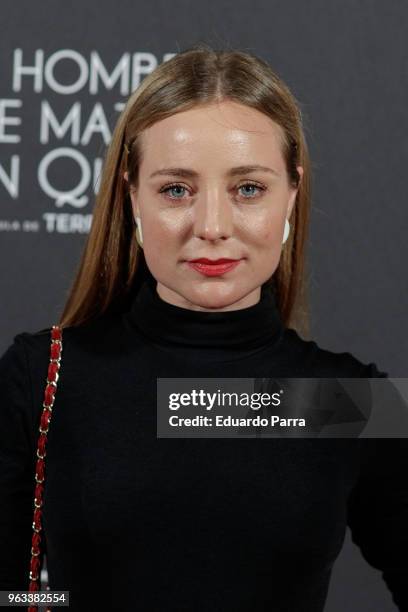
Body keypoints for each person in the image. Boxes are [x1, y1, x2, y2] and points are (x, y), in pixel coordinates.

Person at [0, 44, 406, 612]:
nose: (212, 226)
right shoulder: (41, 378)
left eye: (248, 189)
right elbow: (11, 592)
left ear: (292, 193)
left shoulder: (347, 401)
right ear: (131, 196)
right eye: (175, 189)